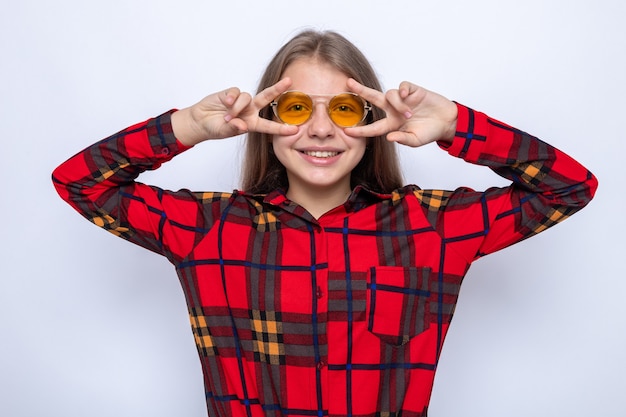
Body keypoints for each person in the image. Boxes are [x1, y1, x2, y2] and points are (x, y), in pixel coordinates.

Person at [52, 30, 597, 417]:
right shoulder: (208, 228)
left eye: (340, 109)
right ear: (266, 121)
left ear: (370, 121)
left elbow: (569, 188)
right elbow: (80, 182)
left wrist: (457, 125)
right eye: (294, 109)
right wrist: (187, 127)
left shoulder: (431, 226)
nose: (318, 131)